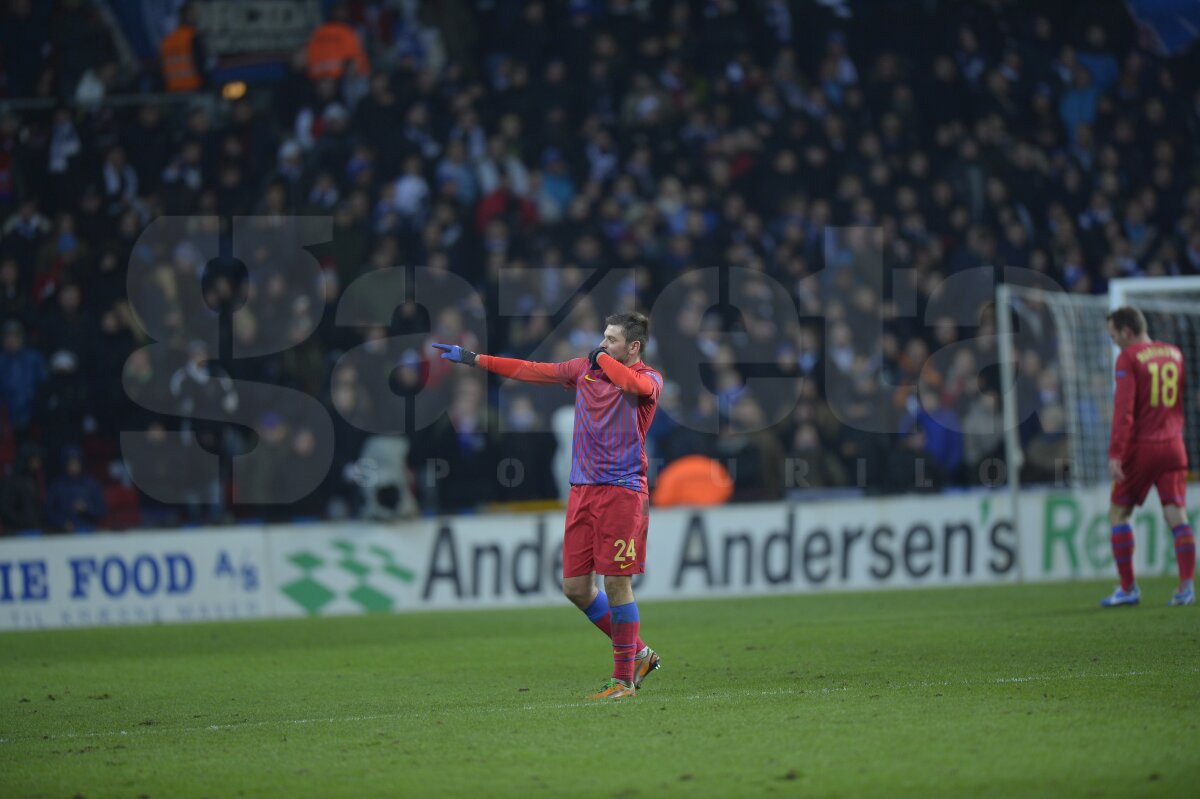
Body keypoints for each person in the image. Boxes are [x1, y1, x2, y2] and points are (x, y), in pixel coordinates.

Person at [433, 311, 663, 700]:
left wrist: (601, 358)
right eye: (602, 338)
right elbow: (529, 369)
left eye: (611, 339)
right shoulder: (583, 370)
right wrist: (475, 359)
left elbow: (629, 381)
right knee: (575, 588)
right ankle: (639, 653)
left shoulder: (649, 379)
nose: (602, 344)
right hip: (582, 491)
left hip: (622, 492)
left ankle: (623, 681)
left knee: (617, 582)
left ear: (634, 347)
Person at [1102, 306, 1194, 607]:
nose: (1115, 343)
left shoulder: (1128, 358)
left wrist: (1116, 453)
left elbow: (1125, 412)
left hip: (1142, 447)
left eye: (1115, 336)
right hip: (1174, 444)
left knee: (1118, 513)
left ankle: (1128, 588)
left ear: (1127, 332)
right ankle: (1185, 588)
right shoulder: (1175, 353)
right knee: (1176, 516)